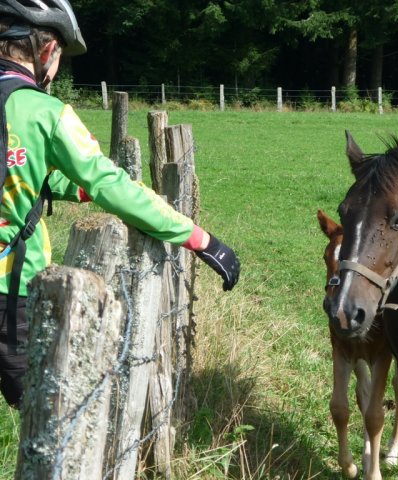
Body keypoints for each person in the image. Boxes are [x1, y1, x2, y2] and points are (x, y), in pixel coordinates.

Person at [0, 0, 240, 408]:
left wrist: (73, 187)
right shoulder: (44, 111)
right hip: (12, 294)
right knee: (50, 420)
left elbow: (16, 172)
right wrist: (200, 239)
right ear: (46, 51)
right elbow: (112, 185)